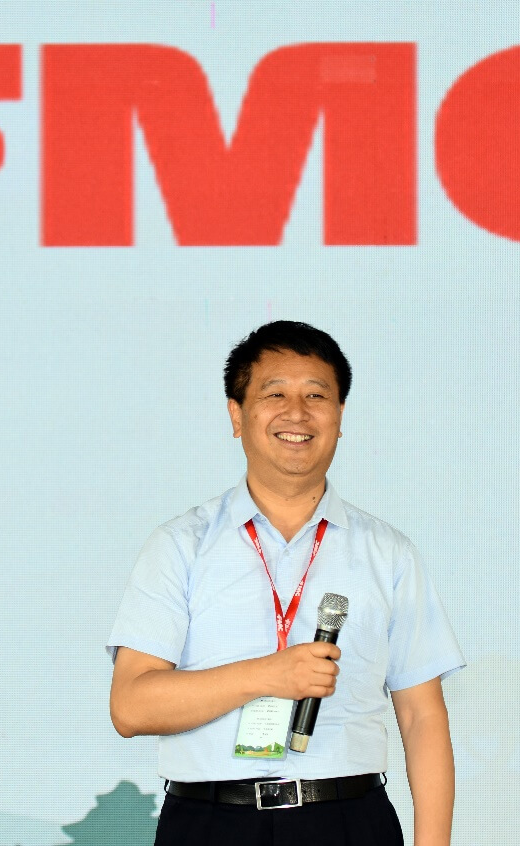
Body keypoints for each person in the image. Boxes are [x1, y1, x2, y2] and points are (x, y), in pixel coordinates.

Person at [107, 321, 465, 846]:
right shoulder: (179, 545)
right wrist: (268, 675)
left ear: (340, 417)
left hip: (347, 820)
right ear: (237, 415)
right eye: (274, 394)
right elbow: (130, 707)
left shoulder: (388, 552)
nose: (297, 412)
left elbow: (421, 716)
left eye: (316, 395)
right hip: (209, 824)